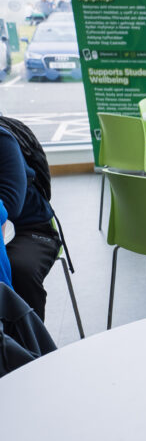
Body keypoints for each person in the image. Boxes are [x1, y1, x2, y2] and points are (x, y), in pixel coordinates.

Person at [0, 120, 59, 321]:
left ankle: (31, 345)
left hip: (32, 228)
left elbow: (11, 204)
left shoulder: (3, 139)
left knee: (20, 270)